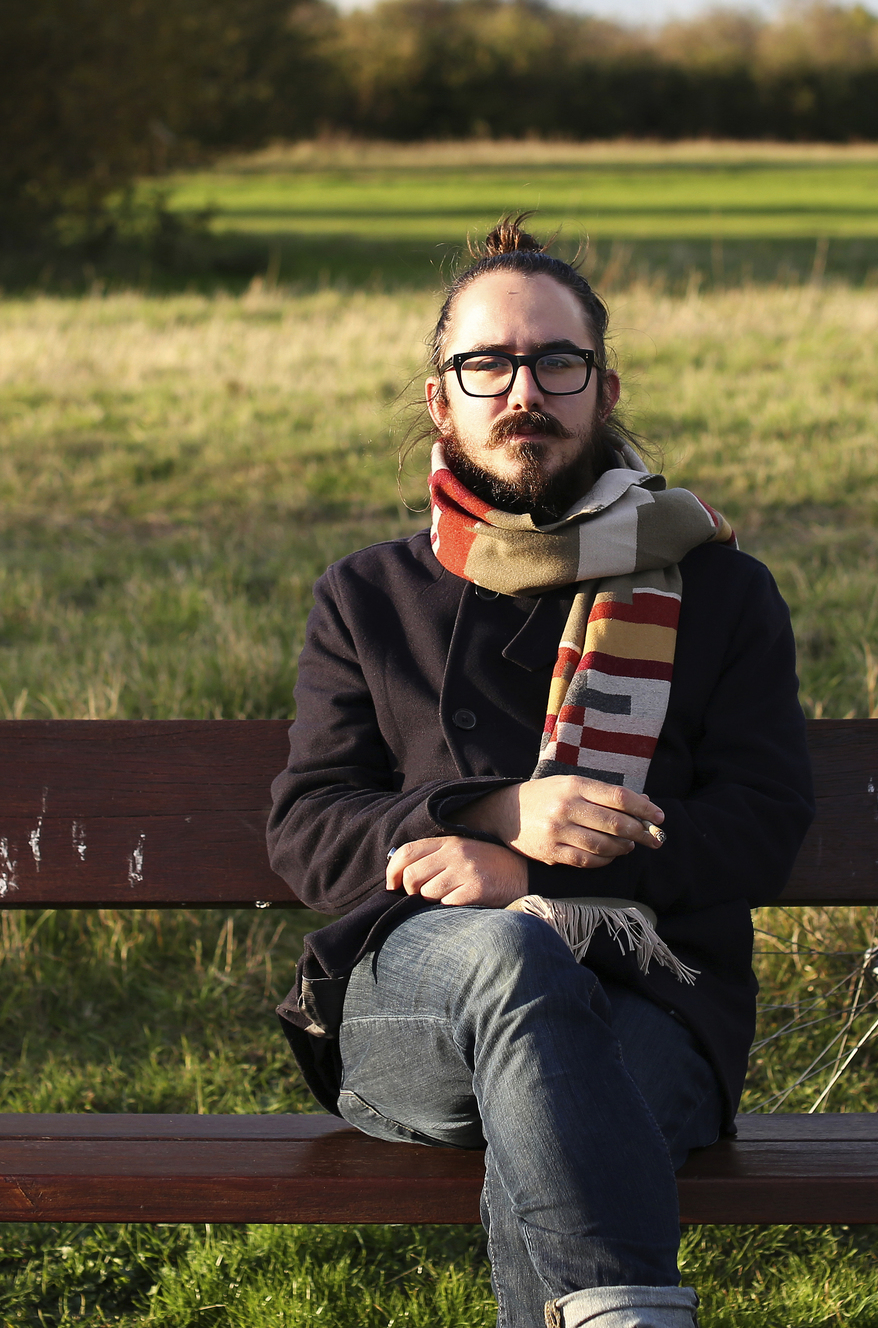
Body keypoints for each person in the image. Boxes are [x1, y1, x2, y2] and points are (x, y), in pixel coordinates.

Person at [266, 217, 816, 1328]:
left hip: (656, 999)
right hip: (415, 1003)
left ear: (603, 387)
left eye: (554, 361)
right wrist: (503, 809)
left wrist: (534, 879)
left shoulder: (719, 589)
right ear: (442, 398)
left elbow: (763, 822)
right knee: (510, 960)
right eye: (488, 363)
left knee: (554, 1113)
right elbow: (310, 829)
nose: (524, 388)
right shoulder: (369, 596)